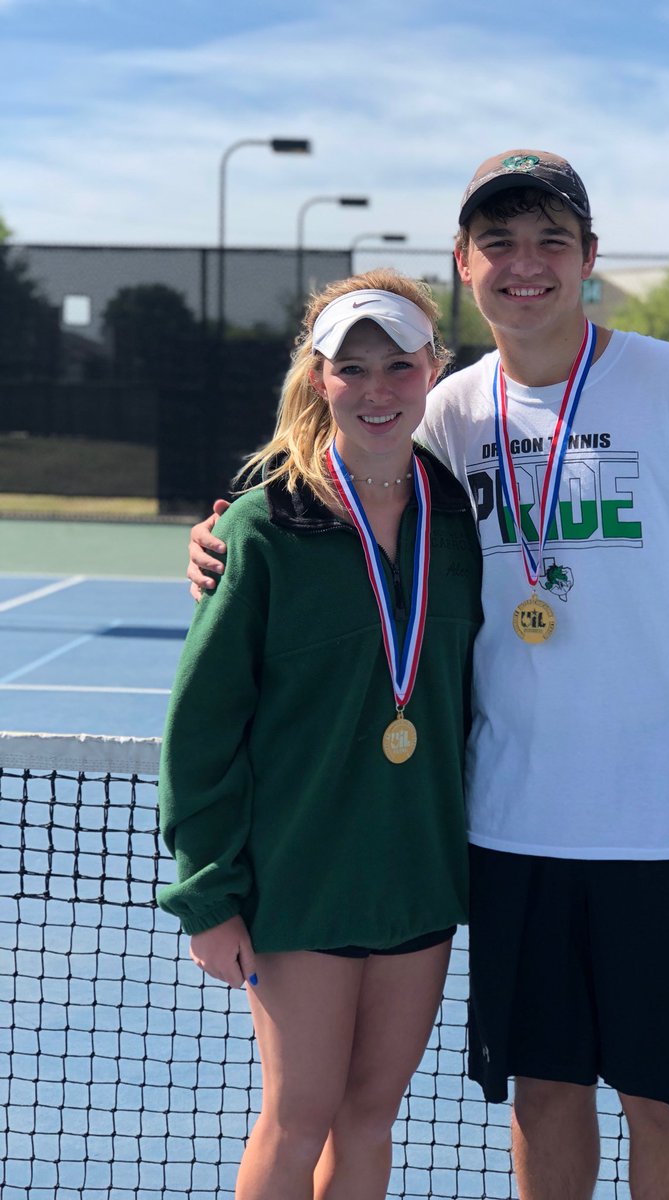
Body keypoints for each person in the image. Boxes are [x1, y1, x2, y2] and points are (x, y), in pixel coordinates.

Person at [187, 151, 669, 1200]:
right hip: (507, 834)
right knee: (544, 1096)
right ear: (464, 263)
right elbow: (338, 473)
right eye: (500, 243)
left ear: (590, 259)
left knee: (668, 1106)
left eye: (551, 241)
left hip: (665, 830)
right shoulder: (449, 410)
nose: (527, 264)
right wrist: (219, 534)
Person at [159, 269, 482, 1200]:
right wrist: (209, 894)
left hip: (419, 873)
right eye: (353, 368)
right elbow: (202, 727)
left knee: (371, 1116)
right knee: (299, 1116)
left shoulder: (464, 522)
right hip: (301, 875)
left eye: (399, 366)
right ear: (318, 378)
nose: (378, 390)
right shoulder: (260, 530)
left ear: (432, 371)